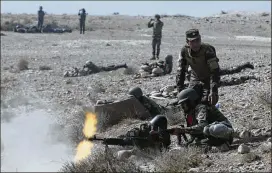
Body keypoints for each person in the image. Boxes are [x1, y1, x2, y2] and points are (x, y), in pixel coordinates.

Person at [176, 29, 220, 106]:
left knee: (206, 102)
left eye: (198, 40)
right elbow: (181, 72)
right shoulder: (184, 51)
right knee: (188, 100)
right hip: (195, 78)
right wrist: (180, 91)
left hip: (208, 78)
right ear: (187, 42)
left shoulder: (207, 50)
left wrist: (213, 91)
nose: (196, 44)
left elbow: (215, 71)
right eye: (192, 41)